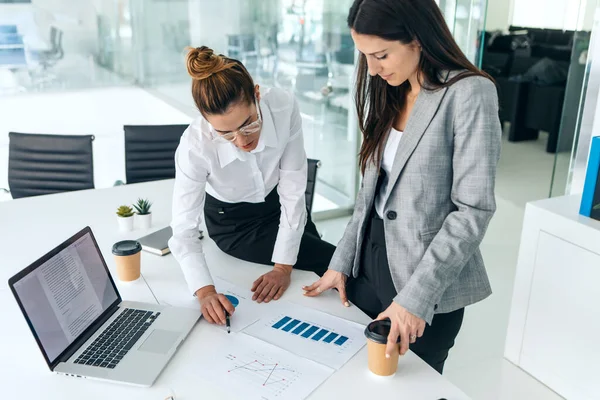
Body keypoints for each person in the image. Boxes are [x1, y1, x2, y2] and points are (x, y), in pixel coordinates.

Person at [303, 0, 502, 374]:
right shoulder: (390, 91)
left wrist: (415, 298)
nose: (374, 70)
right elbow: (370, 198)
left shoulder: (470, 93)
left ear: (417, 38)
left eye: (381, 55)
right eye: (366, 57)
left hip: (424, 279)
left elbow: (473, 210)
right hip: (368, 264)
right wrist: (341, 263)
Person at [169, 46, 336, 326]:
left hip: (279, 205)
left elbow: (294, 188)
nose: (242, 141)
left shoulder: (282, 106)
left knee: (330, 266)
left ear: (256, 94)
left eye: (248, 124)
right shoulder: (194, 146)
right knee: (330, 262)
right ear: (206, 120)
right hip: (233, 223)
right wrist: (205, 291)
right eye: (225, 134)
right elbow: (183, 229)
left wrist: (283, 267)